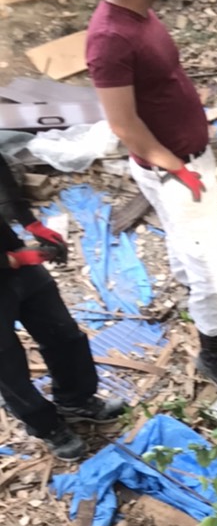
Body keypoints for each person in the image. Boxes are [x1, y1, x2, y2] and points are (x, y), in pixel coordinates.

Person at [86, 0, 217, 388]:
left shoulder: (140, 12)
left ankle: (208, 306)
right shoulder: (110, 40)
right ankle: (213, 354)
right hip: (174, 168)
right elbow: (123, 124)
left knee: (191, 247)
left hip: (182, 160)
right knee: (212, 263)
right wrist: (178, 169)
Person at [0, 154, 124, 460]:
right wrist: (14, 260)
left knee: (62, 332)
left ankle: (76, 399)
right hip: (10, 260)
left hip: (9, 251)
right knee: (6, 365)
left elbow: (4, 180)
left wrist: (30, 223)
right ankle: (45, 425)